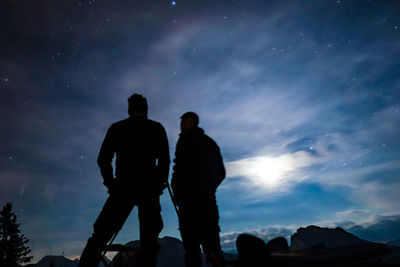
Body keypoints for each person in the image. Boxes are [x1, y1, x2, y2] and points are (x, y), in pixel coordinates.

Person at [79, 94, 170, 267]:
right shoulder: (156, 128)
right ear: (146, 109)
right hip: (147, 189)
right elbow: (164, 160)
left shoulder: (117, 128)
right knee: (149, 239)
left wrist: (111, 183)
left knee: (100, 234)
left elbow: (103, 159)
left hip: (122, 188)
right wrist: (158, 183)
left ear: (129, 109)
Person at [171, 112, 226, 267]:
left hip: (190, 205)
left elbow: (179, 171)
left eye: (183, 122)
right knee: (212, 247)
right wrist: (208, 190)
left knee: (193, 249)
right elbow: (220, 172)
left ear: (190, 122)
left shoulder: (185, 141)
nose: (180, 125)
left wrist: (183, 194)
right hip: (206, 203)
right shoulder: (209, 142)